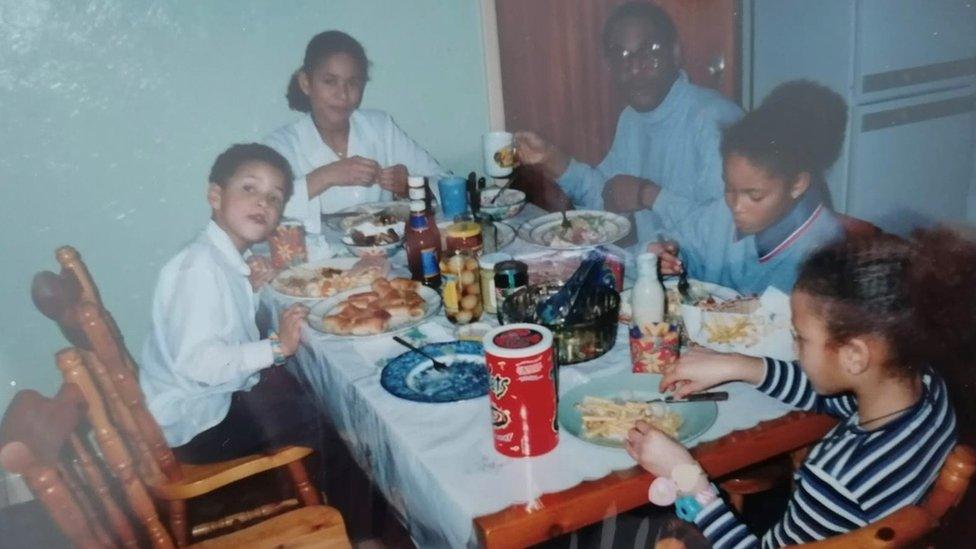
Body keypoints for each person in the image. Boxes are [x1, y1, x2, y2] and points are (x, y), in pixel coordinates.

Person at [626, 228, 976, 547]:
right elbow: (840, 401)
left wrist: (686, 475)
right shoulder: (927, 386)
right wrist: (741, 365)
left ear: (854, 356)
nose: (794, 348)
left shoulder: (837, 481)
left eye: (801, 339)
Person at [139, 143, 323, 467]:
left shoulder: (220, 257)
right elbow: (198, 363)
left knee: (304, 391)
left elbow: (223, 325)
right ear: (215, 196)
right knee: (326, 420)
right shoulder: (199, 268)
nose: (262, 202)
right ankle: (331, 512)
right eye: (249, 188)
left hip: (207, 403)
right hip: (197, 424)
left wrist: (248, 290)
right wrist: (276, 348)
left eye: (274, 197)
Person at [515, 1, 742, 241]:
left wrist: (650, 195)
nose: (634, 68)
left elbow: (725, 234)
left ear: (675, 54)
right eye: (622, 55)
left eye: (649, 51)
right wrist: (551, 158)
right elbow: (607, 195)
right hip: (655, 266)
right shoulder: (632, 118)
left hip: (706, 277)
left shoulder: (715, 121)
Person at [652, 80, 846, 294]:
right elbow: (686, 242)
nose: (736, 206)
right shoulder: (724, 213)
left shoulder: (822, 252)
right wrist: (670, 255)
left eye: (754, 195)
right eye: (728, 188)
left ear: (797, 185)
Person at [265, 30, 444, 234]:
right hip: (319, 262)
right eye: (330, 81)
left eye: (353, 83)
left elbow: (444, 182)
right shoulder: (281, 145)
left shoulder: (380, 127)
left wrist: (411, 185)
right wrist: (325, 176)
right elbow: (265, 208)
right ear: (306, 83)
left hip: (385, 256)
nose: (343, 94)